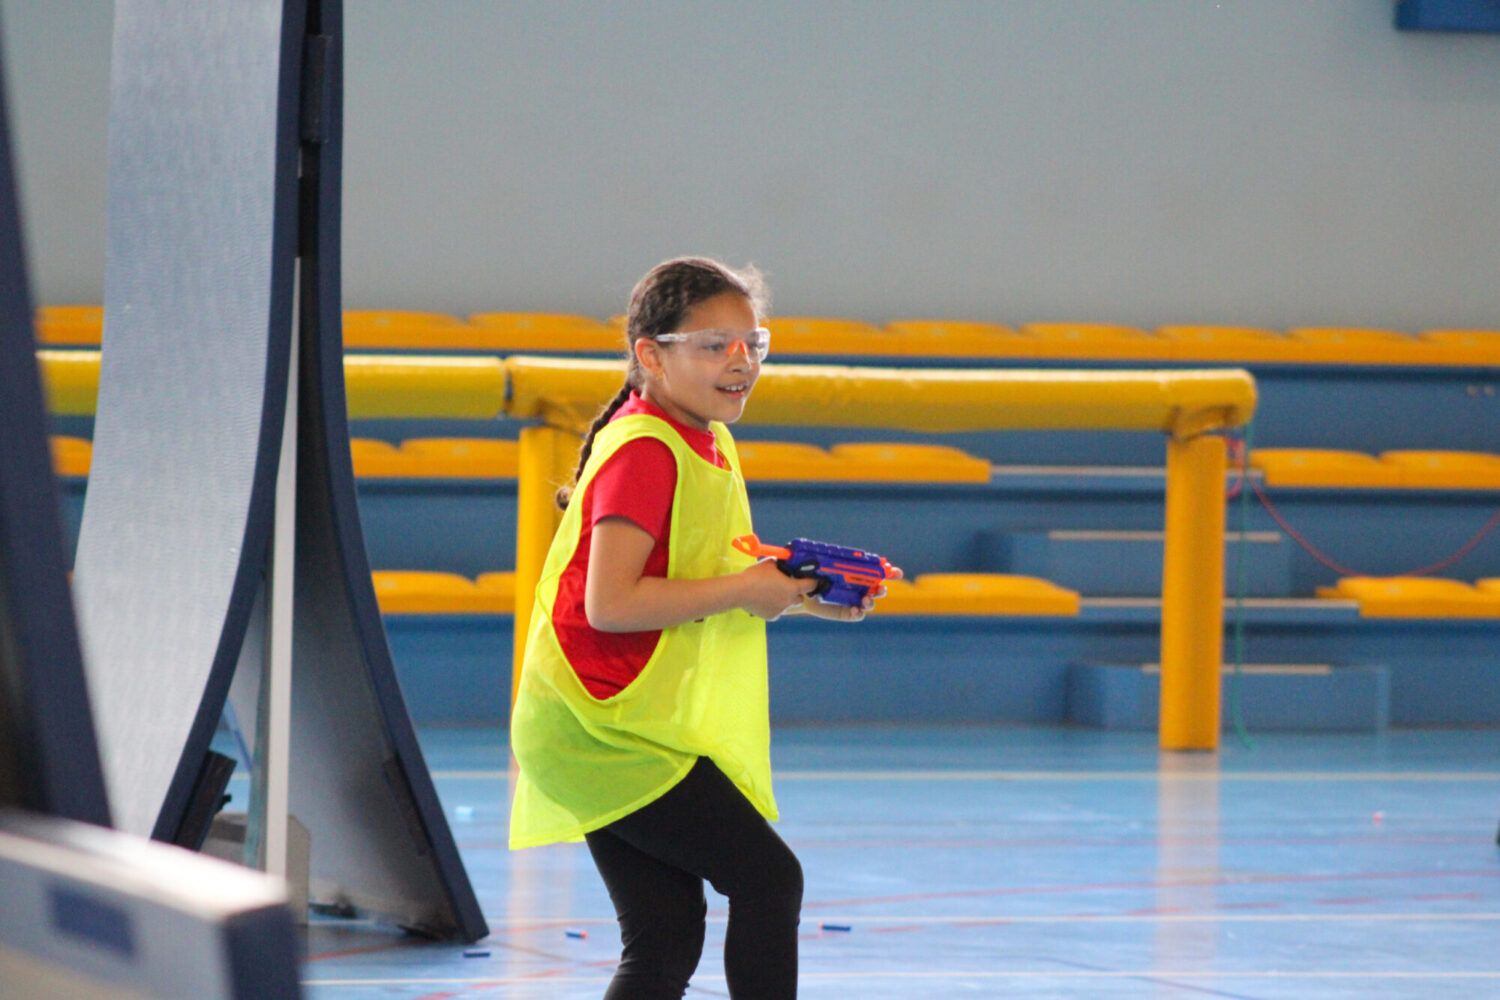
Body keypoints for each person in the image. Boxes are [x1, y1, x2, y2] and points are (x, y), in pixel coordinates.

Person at [508, 256, 897, 1000]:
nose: (741, 362)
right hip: (599, 729)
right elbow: (611, 604)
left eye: (754, 343)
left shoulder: (703, 438)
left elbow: (704, 575)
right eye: (715, 345)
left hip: (616, 722)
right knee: (769, 880)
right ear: (651, 356)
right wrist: (747, 589)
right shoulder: (646, 451)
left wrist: (804, 594)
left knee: (663, 939)